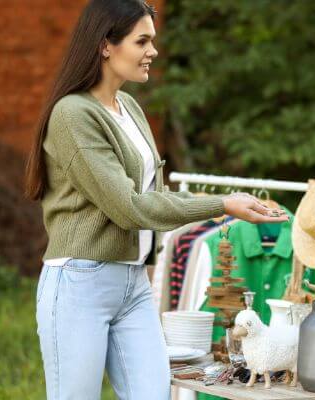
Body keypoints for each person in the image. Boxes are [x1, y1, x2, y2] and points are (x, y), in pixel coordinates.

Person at [24, 1, 287, 398]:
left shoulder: (129, 107)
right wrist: (220, 205)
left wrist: (233, 205)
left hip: (133, 284)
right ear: (105, 45)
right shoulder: (73, 115)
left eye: (153, 40)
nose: (153, 51)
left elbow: (155, 197)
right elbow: (129, 208)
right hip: (81, 283)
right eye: (141, 41)